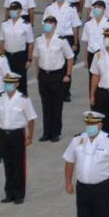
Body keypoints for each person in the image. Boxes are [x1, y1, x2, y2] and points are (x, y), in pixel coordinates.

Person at [0, 73, 36, 204]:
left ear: (17, 84)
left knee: (18, 164)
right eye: (6, 83)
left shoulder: (23, 100)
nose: (8, 85)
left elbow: (31, 119)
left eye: (11, 83)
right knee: (8, 164)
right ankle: (9, 193)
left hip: (17, 134)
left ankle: (19, 194)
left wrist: (29, 136)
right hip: (4, 134)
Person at [33, 14, 74, 143]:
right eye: (46, 23)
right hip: (43, 75)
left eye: (50, 23)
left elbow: (70, 57)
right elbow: (36, 57)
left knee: (56, 105)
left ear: (55, 26)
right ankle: (46, 132)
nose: (47, 26)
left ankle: (56, 132)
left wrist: (67, 74)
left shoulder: (61, 40)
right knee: (46, 105)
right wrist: (38, 73)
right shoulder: (39, 40)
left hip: (57, 75)